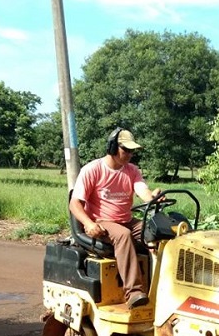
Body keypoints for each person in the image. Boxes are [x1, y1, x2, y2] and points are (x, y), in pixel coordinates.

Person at [69, 128, 161, 309]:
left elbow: (142, 190)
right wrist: (88, 223)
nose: (129, 154)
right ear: (112, 147)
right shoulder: (92, 170)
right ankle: (134, 293)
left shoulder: (132, 170)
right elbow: (75, 204)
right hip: (102, 222)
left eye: (132, 151)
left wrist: (152, 197)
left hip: (126, 219)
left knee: (158, 232)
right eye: (125, 150)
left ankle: (160, 286)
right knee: (123, 235)